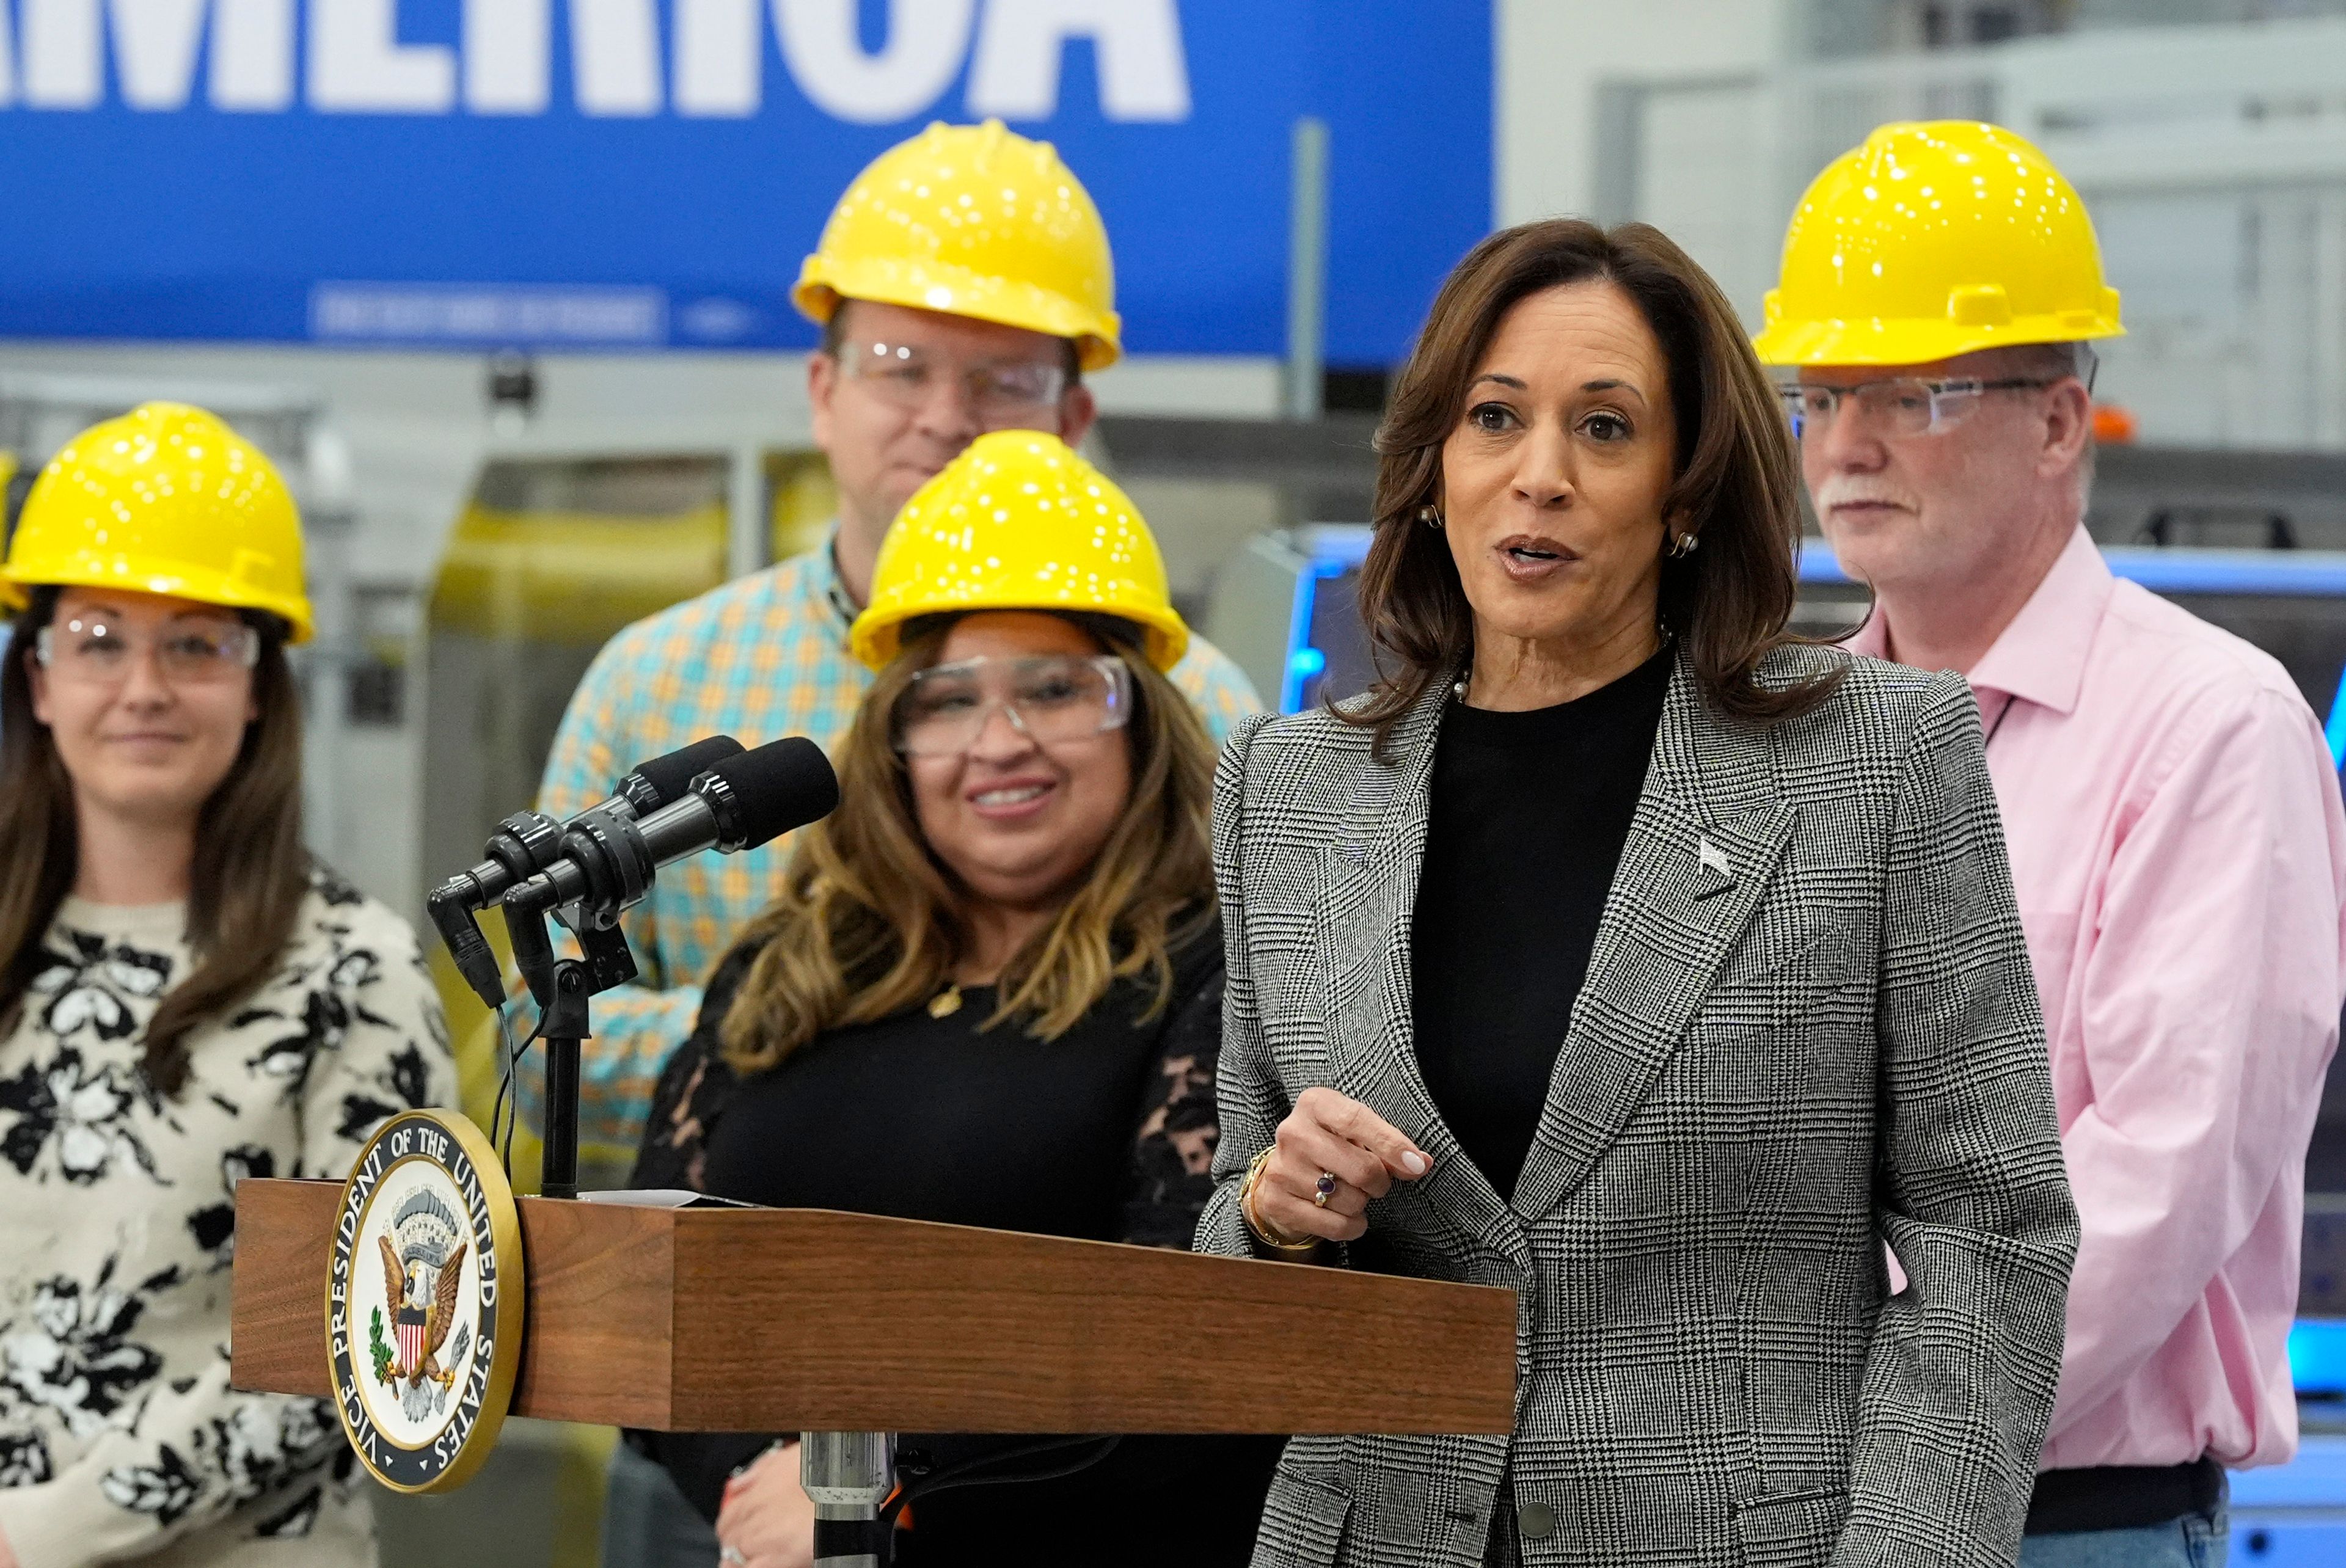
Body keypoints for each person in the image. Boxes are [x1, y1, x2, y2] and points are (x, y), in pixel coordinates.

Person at [1199, 217, 2080, 1567]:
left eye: (1604, 430)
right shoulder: (1288, 788)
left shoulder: (1878, 760)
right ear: (1435, 468)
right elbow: (1231, 1254)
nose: (1539, 477)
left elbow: (1991, 1232)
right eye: (1496, 420)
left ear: (1683, 492)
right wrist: (1274, 1215)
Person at [1756, 120, 2346, 1566]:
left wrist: (1867, 1433)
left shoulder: (2208, 727)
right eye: (1825, 394)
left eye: (1920, 392)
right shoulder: (1786, 725)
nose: (1851, 444)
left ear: (2062, 422)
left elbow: (2156, 1182)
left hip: (2058, 1523)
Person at [530, 119, 1262, 1160]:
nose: (946, 417)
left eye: (1003, 380)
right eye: (899, 365)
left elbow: (1260, 1048)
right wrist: (832, 1042)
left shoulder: (1200, 703)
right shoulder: (652, 684)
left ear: (1073, 413)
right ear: (824, 393)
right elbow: (544, 1027)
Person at [626, 431, 1277, 1567]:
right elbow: (643, 1293)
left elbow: (1186, 1337)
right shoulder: (794, 962)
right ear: (895, 739)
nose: (1000, 742)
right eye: (949, 700)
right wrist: (764, 1490)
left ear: (1142, 720)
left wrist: (864, 1491)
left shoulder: (1217, 974)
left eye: (1056, 690)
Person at [0, 404, 455, 1568]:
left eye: (196, 642)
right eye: (99, 638)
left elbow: (366, 1341)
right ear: (38, 679)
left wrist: (44, 1535)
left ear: (260, 684)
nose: (144, 685)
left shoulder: (356, 970)